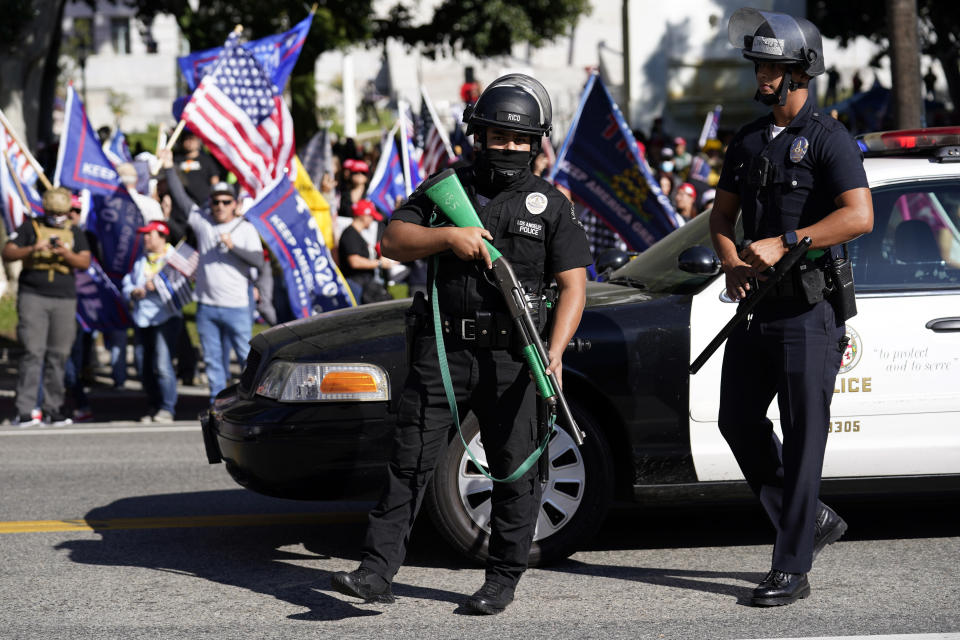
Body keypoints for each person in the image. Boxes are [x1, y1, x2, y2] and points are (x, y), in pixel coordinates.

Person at [330, 74, 592, 615]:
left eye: (522, 140)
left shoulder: (550, 204)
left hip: (515, 356)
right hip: (443, 354)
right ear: (480, 135)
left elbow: (574, 285)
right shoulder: (446, 188)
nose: (510, 148)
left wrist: (556, 351)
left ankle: (501, 578)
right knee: (408, 463)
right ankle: (376, 573)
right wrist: (449, 237)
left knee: (514, 470)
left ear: (537, 143)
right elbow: (392, 239)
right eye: (500, 137)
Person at [710, 8, 874, 607]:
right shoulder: (748, 138)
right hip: (758, 309)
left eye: (773, 64)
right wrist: (731, 263)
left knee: (805, 438)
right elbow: (721, 217)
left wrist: (791, 239)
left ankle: (792, 565)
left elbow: (859, 215)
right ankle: (812, 519)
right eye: (759, 62)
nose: (762, 72)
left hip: (810, 312)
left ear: (801, 69)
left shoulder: (829, 139)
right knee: (736, 419)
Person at [158, 148, 264, 401]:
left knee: (246, 361)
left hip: (237, 307)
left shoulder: (245, 229)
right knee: (214, 363)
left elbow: (258, 261)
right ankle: (217, 408)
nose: (219, 206)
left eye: (226, 202)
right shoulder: (203, 222)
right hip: (206, 306)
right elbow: (182, 200)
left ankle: (252, 404)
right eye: (215, 202)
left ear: (235, 204)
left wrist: (233, 247)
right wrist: (169, 168)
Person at [2, 187, 91, 426]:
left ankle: (54, 409)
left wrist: (65, 253)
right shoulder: (31, 227)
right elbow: (8, 251)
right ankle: (25, 410)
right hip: (34, 296)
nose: (58, 218)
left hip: (64, 298)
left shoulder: (74, 231)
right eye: (53, 213)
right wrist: (33, 248)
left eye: (62, 213)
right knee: (33, 352)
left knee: (58, 355)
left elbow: (85, 260)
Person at [121, 220, 184, 423]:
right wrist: (133, 291)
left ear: (162, 236)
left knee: (163, 364)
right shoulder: (142, 259)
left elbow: (184, 287)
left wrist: (159, 286)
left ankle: (167, 408)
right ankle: (154, 404)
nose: (145, 238)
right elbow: (127, 282)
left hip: (166, 317)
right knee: (142, 365)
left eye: (150, 235)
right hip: (142, 318)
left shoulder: (174, 259)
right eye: (144, 235)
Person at [338, 199, 395, 303]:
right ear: (363, 216)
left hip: (362, 283)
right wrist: (380, 263)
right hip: (356, 284)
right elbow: (355, 261)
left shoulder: (356, 234)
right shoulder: (350, 234)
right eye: (371, 216)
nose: (372, 219)